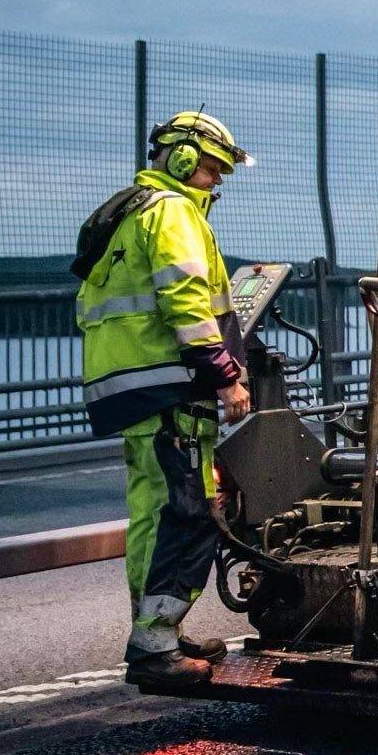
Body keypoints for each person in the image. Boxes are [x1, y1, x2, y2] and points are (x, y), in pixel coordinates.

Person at [73, 111, 253, 692]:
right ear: (180, 158)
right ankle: (154, 645)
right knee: (188, 512)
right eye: (210, 169)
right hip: (168, 384)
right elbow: (186, 303)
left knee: (154, 513)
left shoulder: (131, 211)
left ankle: (157, 633)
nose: (216, 182)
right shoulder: (172, 212)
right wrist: (225, 374)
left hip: (136, 386)